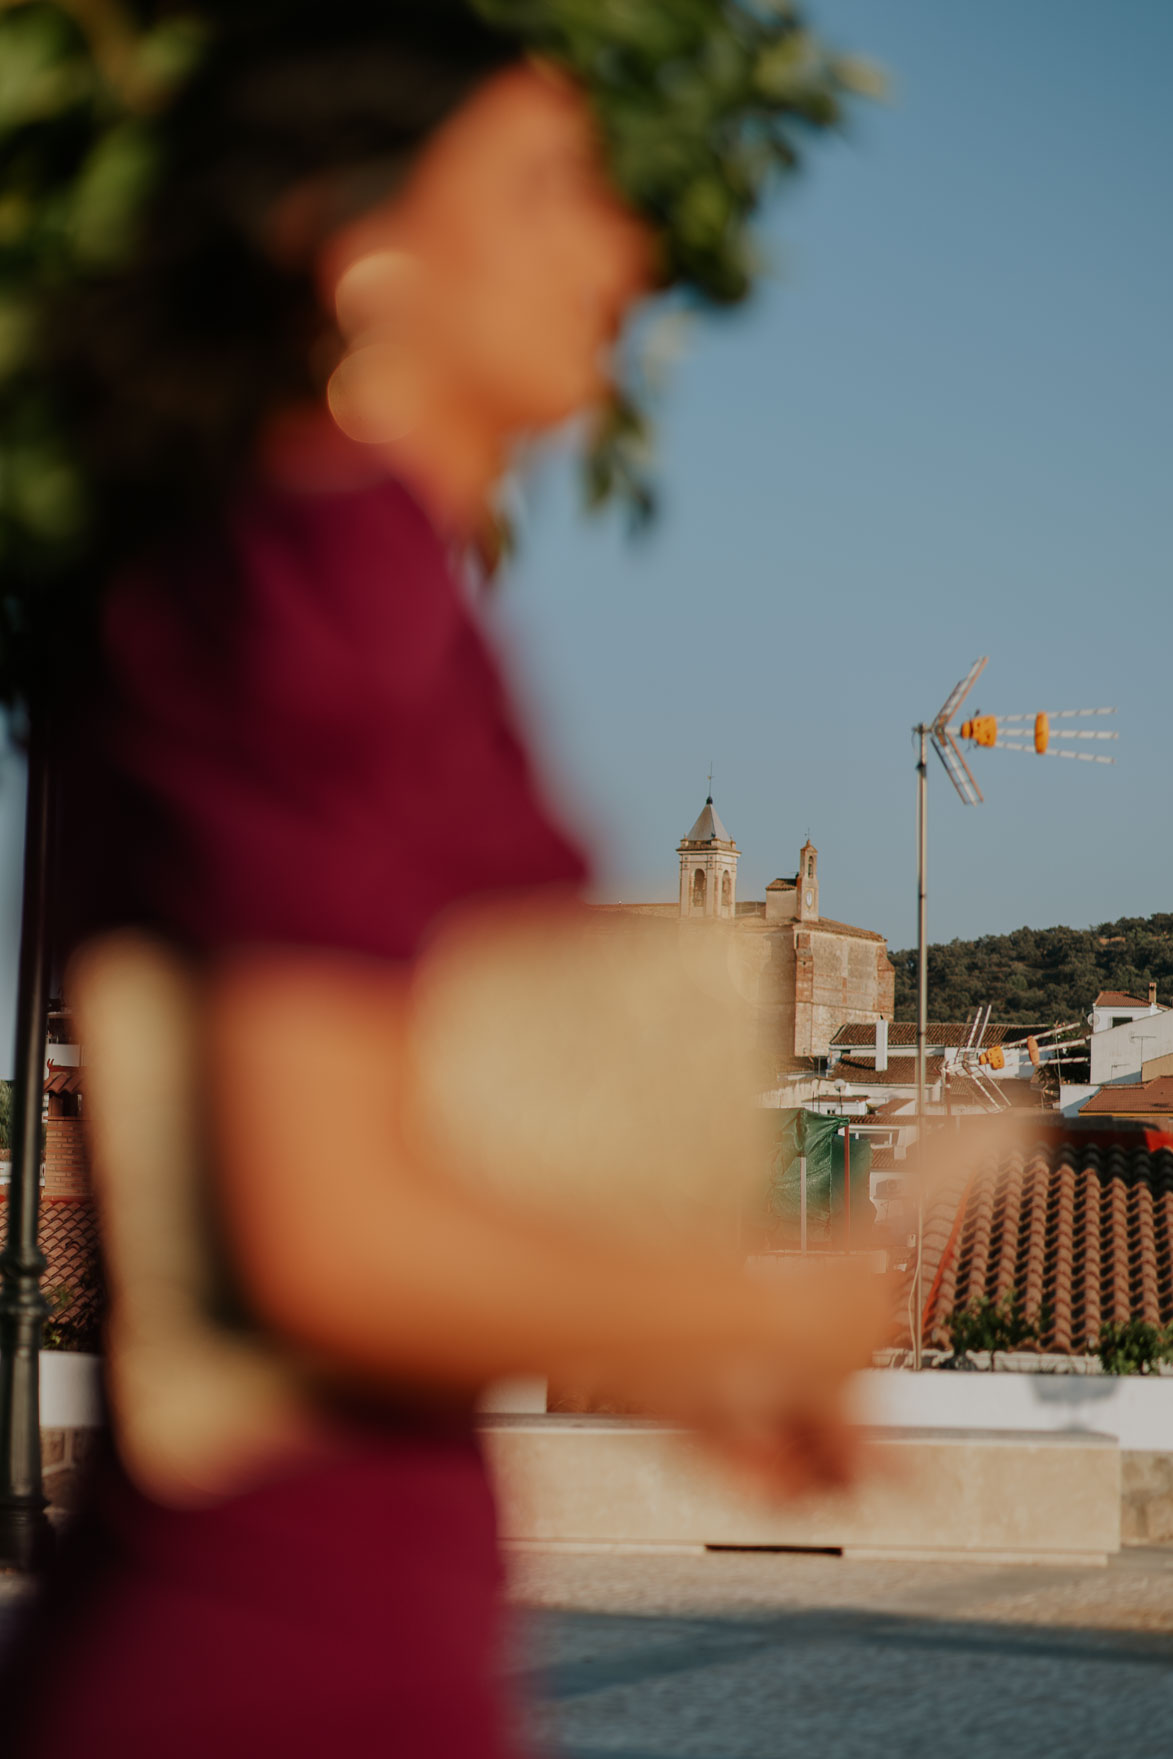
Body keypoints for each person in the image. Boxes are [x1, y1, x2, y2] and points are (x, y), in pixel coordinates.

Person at [2, 5, 889, 1753]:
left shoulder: (350, 581)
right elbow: (317, 1242)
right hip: (268, 1671)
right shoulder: (313, 588)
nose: (624, 245)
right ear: (367, 257)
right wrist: (757, 1309)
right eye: (550, 184)